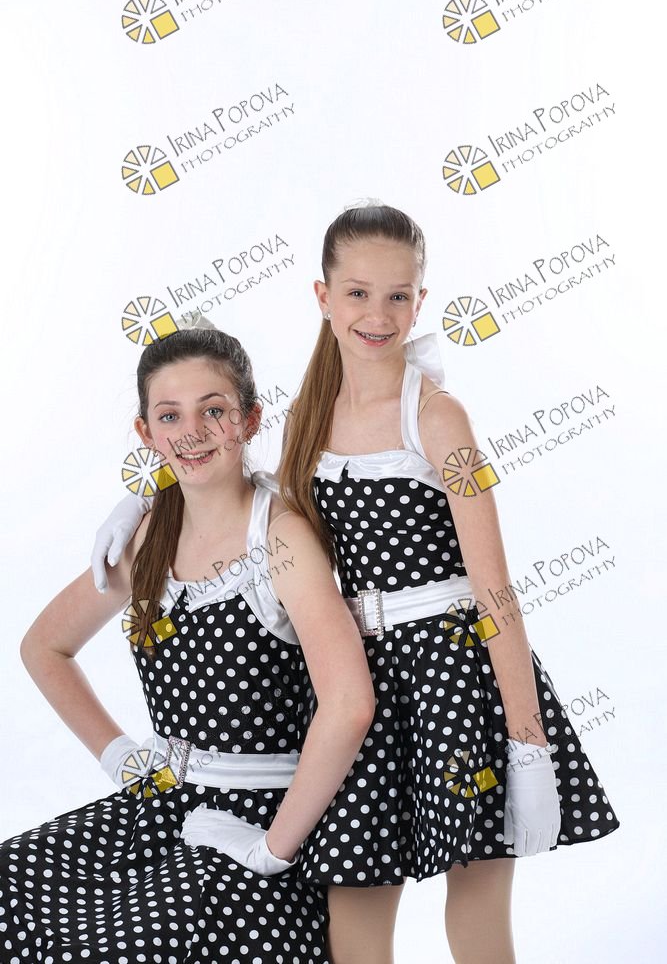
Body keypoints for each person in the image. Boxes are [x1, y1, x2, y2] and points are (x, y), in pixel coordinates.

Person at [88, 203, 621, 964]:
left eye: (398, 295)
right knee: (354, 916)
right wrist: (147, 497)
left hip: (453, 675)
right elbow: (247, 489)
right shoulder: (309, 414)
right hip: (361, 679)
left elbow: (495, 588)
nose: (378, 314)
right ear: (323, 296)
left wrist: (526, 744)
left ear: (420, 301)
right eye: (358, 293)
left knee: (473, 913)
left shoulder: (438, 417)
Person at [0, 319, 375, 964]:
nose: (191, 432)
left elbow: (349, 704)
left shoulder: (279, 537)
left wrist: (274, 849)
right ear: (146, 433)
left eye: (214, 410)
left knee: (128, 947)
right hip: (162, 804)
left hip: (258, 820)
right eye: (169, 416)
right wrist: (121, 758)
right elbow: (44, 647)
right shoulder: (150, 535)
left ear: (250, 420)